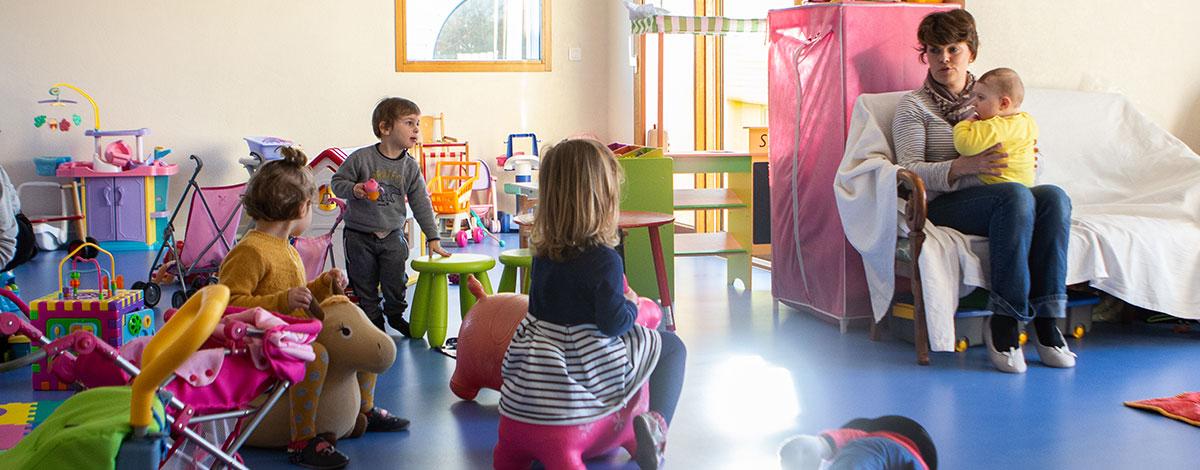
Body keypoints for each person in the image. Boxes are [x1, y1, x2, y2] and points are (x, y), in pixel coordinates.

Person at [892, 9, 1075, 373]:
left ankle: (1047, 319)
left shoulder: (994, 98)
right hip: (942, 204)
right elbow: (906, 172)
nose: (943, 59)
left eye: (953, 49)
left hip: (1001, 196)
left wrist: (1027, 160)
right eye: (933, 50)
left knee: (1054, 197)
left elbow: (1019, 151)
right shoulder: (912, 107)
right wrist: (962, 167)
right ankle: (1005, 320)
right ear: (925, 56)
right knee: (1016, 197)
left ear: (970, 52)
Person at [498, 139, 687, 469]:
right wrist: (630, 303)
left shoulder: (542, 255)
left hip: (540, 361)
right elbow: (613, 322)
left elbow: (539, 310)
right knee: (671, 348)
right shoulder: (605, 260)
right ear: (604, 199)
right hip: (588, 360)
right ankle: (656, 424)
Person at [218, 148, 408, 469]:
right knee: (317, 354)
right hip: (259, 346)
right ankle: (302, 439)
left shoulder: (284, 247)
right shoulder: (249, 251)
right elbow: (229, 305)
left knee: (358, 337)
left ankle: (365, 408)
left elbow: (296, 295)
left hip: (288, 334)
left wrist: (322, 284)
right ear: (302, 207)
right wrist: (284, 301)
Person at [331, 97, 450, 337]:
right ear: (385, 128)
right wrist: (354, 189)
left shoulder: (410, 167)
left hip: (393, 235)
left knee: (395, 281)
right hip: (358, 235)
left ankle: (395, 314)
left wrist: (433, 236)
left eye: (417, 123)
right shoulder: (361, 158)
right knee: (363, 283)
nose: (416, 129)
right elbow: (337, 182)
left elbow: (421, 202)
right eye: (409, 123)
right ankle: (373, 320)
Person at [953, 67, 1038, 187]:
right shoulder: (1028, 121)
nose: (974, 103)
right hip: (1026, 184)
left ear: (1003, 103)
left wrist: (964, 124)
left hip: (992, 183)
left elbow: (964, 145)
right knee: (1054, 193)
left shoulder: (991, 126)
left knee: (1053, 194)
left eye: (981, 98)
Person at [779, 415, 938, 470]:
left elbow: (846, 439)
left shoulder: (862, 441)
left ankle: (816, 446)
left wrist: (820, 445)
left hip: (870, 444)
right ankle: (816, 446)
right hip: (886, 446)